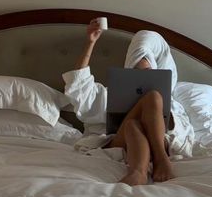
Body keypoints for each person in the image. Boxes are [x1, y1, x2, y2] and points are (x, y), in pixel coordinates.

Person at [62, 20, 195, 186]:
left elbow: (180, 132)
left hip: (159, 140)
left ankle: (138, 172)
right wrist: (91, 42)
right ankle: (161, 160)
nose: (143, 78)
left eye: (148, 72)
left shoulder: (171, 103)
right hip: (122, 141)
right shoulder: (108, 94)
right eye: (137, 72)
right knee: (152, 98)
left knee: (135, 121)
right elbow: (78, 85)